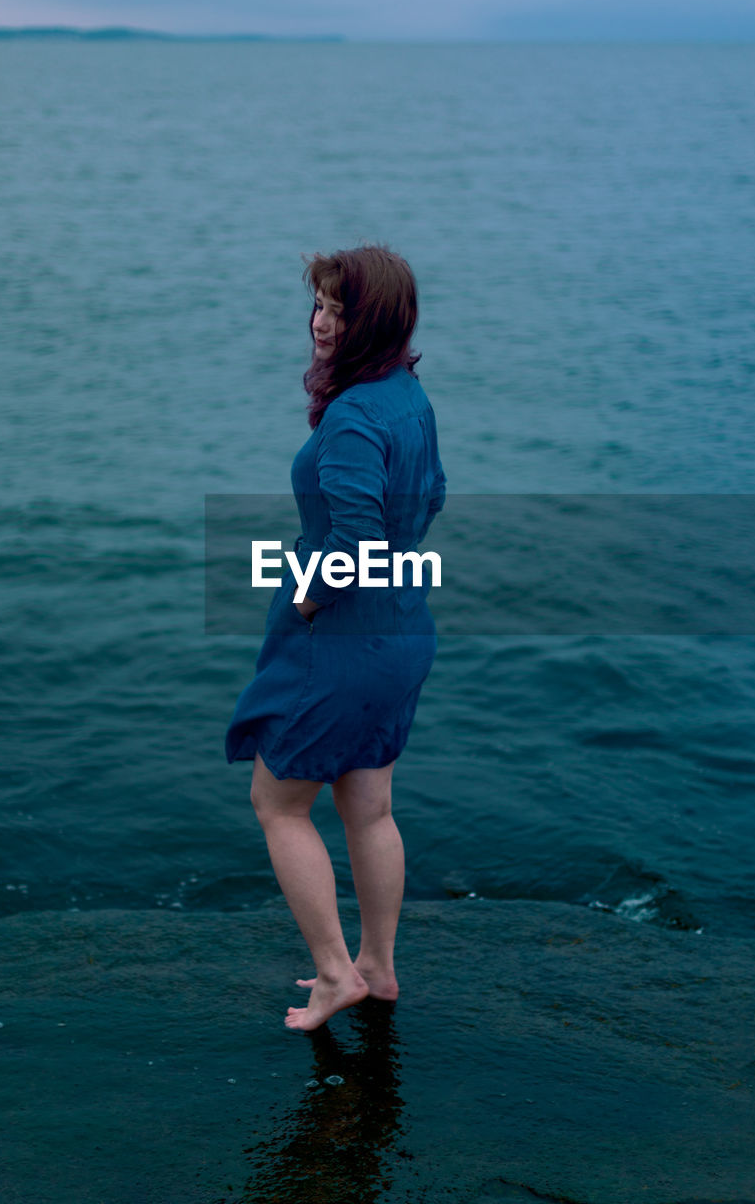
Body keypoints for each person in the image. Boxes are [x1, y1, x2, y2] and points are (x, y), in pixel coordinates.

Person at [225, 244, 446, 1031]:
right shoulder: (404, 396)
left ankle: (332, 975)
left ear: (375, 321)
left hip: (343, 641)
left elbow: (352, 546)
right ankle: (377, 969)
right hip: (400, 630)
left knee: (278, 803)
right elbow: (431, 499)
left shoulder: (354, 417)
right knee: (369, 806)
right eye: (318, 306)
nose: (321, 324)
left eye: (340, 311)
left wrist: (310, 602)